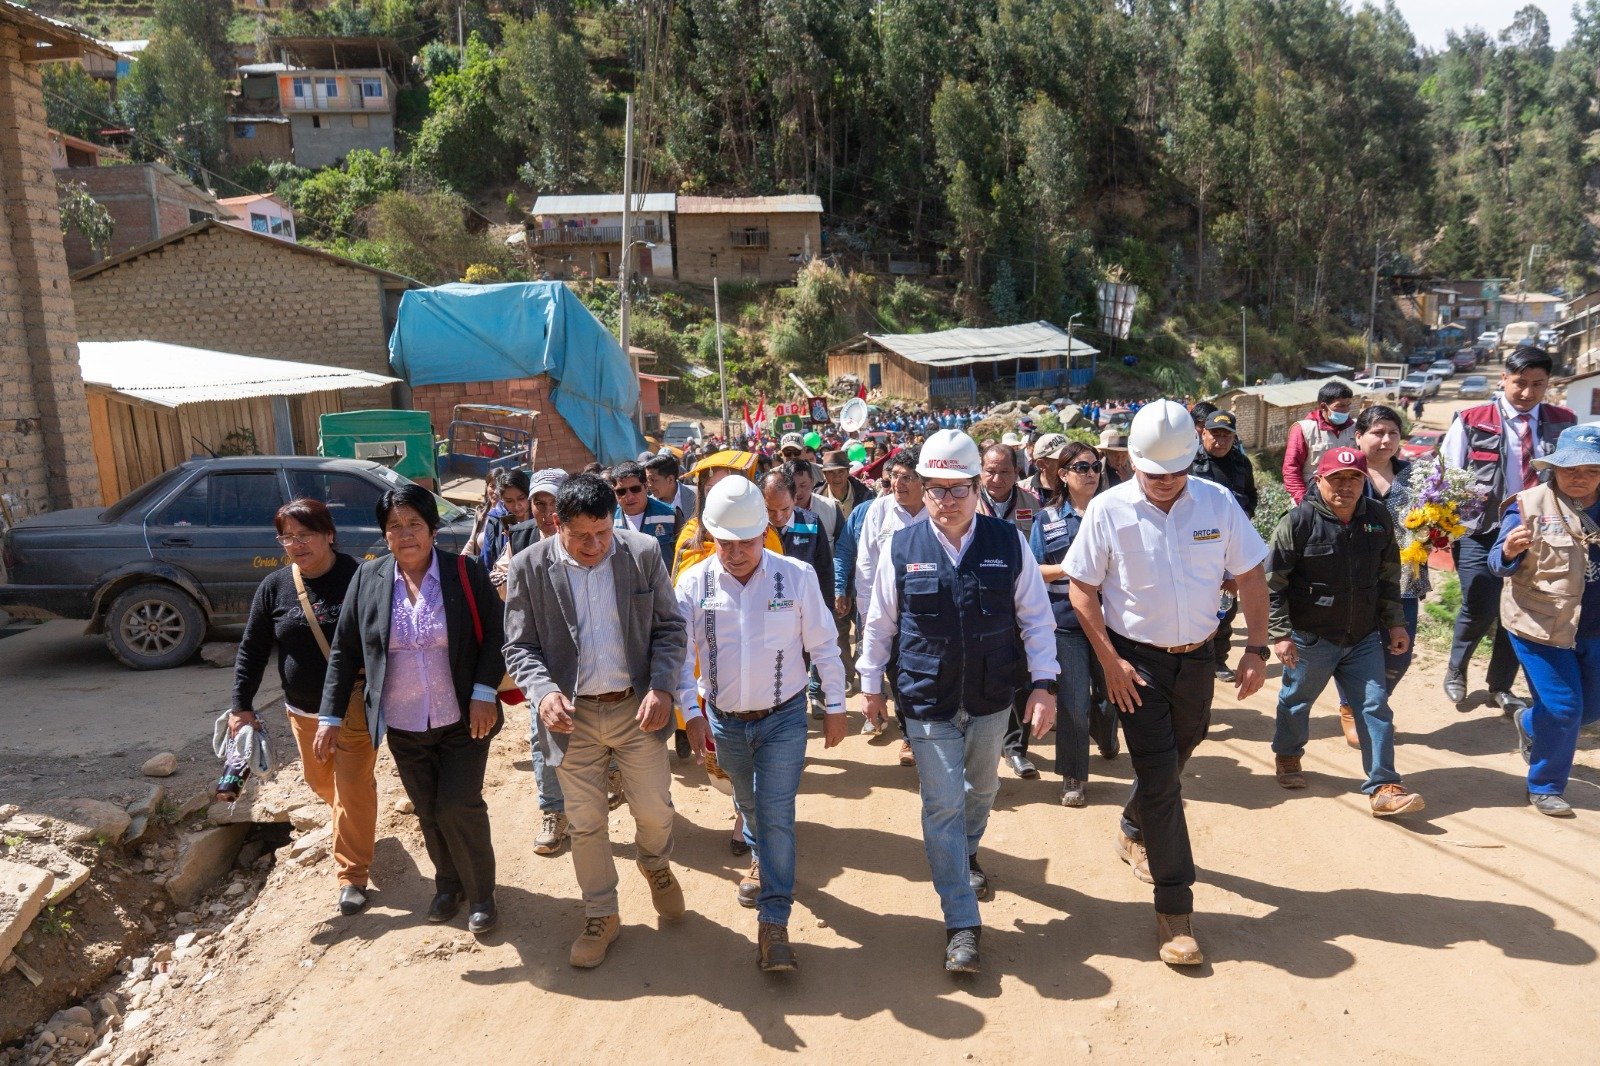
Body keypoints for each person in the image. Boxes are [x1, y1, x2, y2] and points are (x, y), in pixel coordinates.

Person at [1065, 400, 1271, 966]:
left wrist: (1256, 647)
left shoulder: (1218, 502)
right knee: (1162, 777)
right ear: (1131, 463)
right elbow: (1082, 589)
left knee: (1187, 742)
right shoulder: (1108, 510)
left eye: (1176, 472)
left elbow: (1251, 574)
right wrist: (1110, 663)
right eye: (1153, 474)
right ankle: (1174, 907)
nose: (1164, 483)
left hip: (1200, 657)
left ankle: (1134, 822)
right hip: (1136, 663)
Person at [859, 429, 1057, 975]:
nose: (947, 501)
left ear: (979, 489)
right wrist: (869, 684)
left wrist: (1043, 684)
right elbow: (879, 623)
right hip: (926, 698)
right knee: (941, 803)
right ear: (922, 489)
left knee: (984, 787)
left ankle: (964, 850)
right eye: (936, 489)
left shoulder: (1006, 542)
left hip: (993, 694)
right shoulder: (901, 546)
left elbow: (1036, 617)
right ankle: (961, 921)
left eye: (958, 490)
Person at [502, 474, 693, 967]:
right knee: (586, 823)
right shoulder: (530, 567)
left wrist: (662, 686)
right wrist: (542, 692)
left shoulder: (643, 552)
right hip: (572, 717)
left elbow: (670, 628)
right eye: (582, 536)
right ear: (557, 525)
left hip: (637, 708)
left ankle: (655, 863)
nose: (595, 546)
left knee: (654, 810)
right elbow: (519, 646)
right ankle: (601, 913)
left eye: (604, 533)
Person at [675, 476, 847, 971]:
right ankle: (761, 853)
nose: (736, 553)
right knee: (747, 805)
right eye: (725, 543)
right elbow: (679, 658)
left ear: (764, 532)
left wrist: (834, 706)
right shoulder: (693, 584)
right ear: (711, 538)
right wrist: (691, 715)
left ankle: (774, 922)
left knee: (775, 811)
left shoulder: (795, 577)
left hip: (784, 719)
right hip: (725, 723)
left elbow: (824, 645)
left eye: (746, 542)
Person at [319, 485, 506, 936]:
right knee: (427, 808)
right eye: (394, 527)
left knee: (458, 803)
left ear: (433, 529)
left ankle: (482, 893)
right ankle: (448, 885)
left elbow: (497, 635)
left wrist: (484, 692)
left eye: (414, 524)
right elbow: (345, 650)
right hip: (402, 721)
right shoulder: (369, 579)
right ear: (384, 535)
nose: (405, 535)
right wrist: (328, 717)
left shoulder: (464, 573)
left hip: (464, 716)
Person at [232, 498, 373, 916]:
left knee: (350, 787)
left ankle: (353, 876)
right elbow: (252, 650)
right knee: (321, 782)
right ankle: (356, 816)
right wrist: (242, 704)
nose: (296, 544)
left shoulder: (362, 578)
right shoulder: (274, 587)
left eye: (305, 534)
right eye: (287, 537)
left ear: (329, 534)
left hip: (354, 706)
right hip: (303, 710)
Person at [1266, 447, 1425, 816]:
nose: (1346, 486)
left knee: (1374, 705)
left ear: (1364, 482)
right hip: (1311, 636)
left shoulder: (1378, 518)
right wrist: (1280, 634)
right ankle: (1288, 755)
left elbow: (1388, 578)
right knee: (1296, 700)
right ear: (1318, 480)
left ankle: (1384, 785)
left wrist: (1396, 624)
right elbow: (1273, 584)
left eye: (1354, 478)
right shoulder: (1298, 522)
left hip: (1363, 637)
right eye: (1336, 478)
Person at [1441, 347, 1573, 712]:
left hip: (1539, 531)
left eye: (1538, 384)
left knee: (1517, 609)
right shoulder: (1471, 419)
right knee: (1480, 602)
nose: (1528, 393)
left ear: (1548, 384)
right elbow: (1448, 475)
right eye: (1520, 383)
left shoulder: (1564, 420)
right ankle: (1456, 669)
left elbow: (1574, 476)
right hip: (1481, 529)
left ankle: (1499, 685)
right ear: (1503, 379)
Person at [1492, 424, 1600, 817]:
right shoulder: (1528, 504)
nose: (1580, 477)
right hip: (1539, 624)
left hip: (1594, 629)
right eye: (1570, 469)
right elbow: (1496, 562)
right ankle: (1545, 786)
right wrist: (1507, 550)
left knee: (1589, 712)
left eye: (1590, 469)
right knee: (1564, 709)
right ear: (1554, 469)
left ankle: (1528, 721)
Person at [1029, 441, 1119, 807]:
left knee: (1114, 693)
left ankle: (1107, 734)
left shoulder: (1115, 513)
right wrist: (1073, 568)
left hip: (1112, 622)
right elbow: (1032, 571)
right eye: (1082, 468)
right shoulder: (1046, 520)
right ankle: (1073, 776)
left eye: (1095, 466)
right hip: (1065, 623)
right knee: (1073, 702)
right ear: (1063, 475)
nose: (1092, 473)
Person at [854, 447, 928, 767]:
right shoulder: (879, 511)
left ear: (924, 482)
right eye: (894, 476)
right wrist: (868, 612)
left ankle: (929, 734)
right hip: (887, 613)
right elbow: (866, 565)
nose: (899, 483)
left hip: (927, 613)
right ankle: (910, 737)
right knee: (898, 675)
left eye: (908, 477)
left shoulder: (937, 511)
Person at [1189, 410, 1257, 683]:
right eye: (1215, 434)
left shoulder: (1242, 464)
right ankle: (1197, 658)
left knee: (1226, 607)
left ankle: (1219, 660)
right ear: (1202, 433)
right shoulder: (1190, 464)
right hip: (1196, 543)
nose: (1220, 441)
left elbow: (1251, 499)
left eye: (1226, 435)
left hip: (1230, 543)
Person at [1282, 381, 1357, 503]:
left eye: (1348, 406)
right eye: (1340, 406)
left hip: (1347, 500)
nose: (1346, 411)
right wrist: (1303, 501)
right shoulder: (1304, 429)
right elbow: (1291, 469)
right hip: (1313, 498)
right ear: (1323, 407)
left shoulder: (1355, 429)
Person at [611, 460, 679, 564]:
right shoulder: (608, 520)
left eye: (635, 489)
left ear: (646, 487)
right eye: (621, 491)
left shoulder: (671, 514)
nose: (629, 496)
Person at [785, 458, 841, 543]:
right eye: (793, 487)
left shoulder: (832, 508)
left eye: (803, 485)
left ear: (812, 482)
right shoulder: (777, 511)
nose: (798, 492)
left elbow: (844, 547)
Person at [818, 448, 874, 516]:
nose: (837, 477)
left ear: (848, 472)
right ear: (825, 475)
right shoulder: (817, 498)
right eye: (831, 472)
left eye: (841, 471)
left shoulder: (864, 495)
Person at [646, 452, 698, 520]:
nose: (649, 485)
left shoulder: (697, 495)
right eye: (647, 480)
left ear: (670, 479)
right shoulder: (648, 504)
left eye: (653, 480)